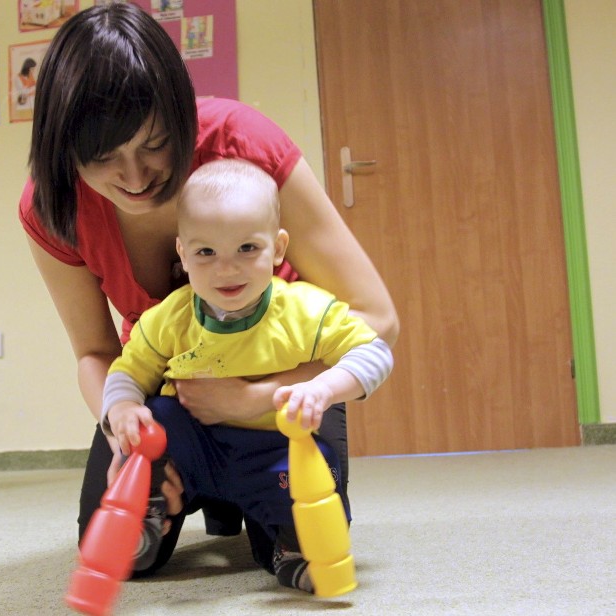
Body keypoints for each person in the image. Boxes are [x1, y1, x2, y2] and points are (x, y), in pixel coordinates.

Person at [20, 2, 398, 576]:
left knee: (306, 546)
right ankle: (208, 493)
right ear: (65, 153)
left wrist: (256, 399)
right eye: (103, 159)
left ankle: (246, 504)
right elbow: (96, 354)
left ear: (180, 114)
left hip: (287, 377)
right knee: (119, 551)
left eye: (154, 143)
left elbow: (376, 320)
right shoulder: (53, 207)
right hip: (174, 395)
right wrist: (121, 423)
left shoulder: (240, 141)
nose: (135, 176)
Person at [103, 158, 393, 591]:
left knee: (318, 467)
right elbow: (127, 371)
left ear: (277, 249)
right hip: (193, 451)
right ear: (182, 254)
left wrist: (321, 387)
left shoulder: (304, 310)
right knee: (155, 413)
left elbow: (374, 351)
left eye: (247, 249)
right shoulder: (169, 317)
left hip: (269, 450)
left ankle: (290, 550)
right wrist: (123, 408)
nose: (227, 269)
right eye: (206, 252)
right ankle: (145, 511)